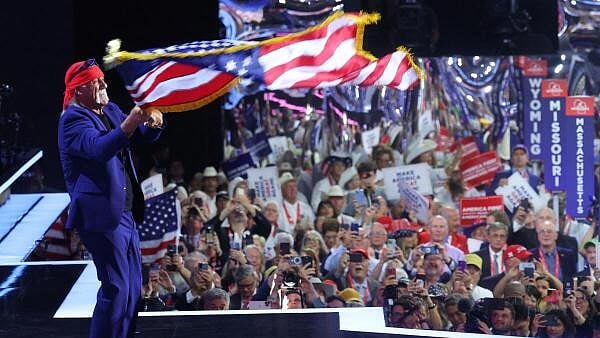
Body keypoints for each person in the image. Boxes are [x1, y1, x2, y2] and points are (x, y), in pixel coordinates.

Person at [58, 59, 163, 338]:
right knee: (116, 288)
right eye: (96, 82)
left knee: (133, 288)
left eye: (102, 79)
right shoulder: (72, 120)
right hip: (102, 216)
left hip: (125, 212)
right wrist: (131, 122)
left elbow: (140, 136)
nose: (104, 84)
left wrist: (152, 123)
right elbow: (99, 149)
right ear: (80, 90)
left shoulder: (110, 109)